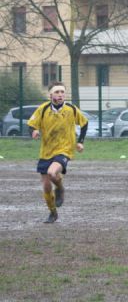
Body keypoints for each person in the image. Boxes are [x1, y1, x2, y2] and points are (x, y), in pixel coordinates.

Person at [27, 82, 88, 223]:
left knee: (52, 172)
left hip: (64, 149)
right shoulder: (42, 109)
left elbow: (84, 124)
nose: (60, 94)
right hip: (46, 151)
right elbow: (31, 125)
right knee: (46, 187)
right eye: (57, 92)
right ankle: (53, 213)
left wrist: (80, 142)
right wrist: (34, 131)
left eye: (62, 92)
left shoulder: (71, 109)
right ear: (50, 95)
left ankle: (60, 188)